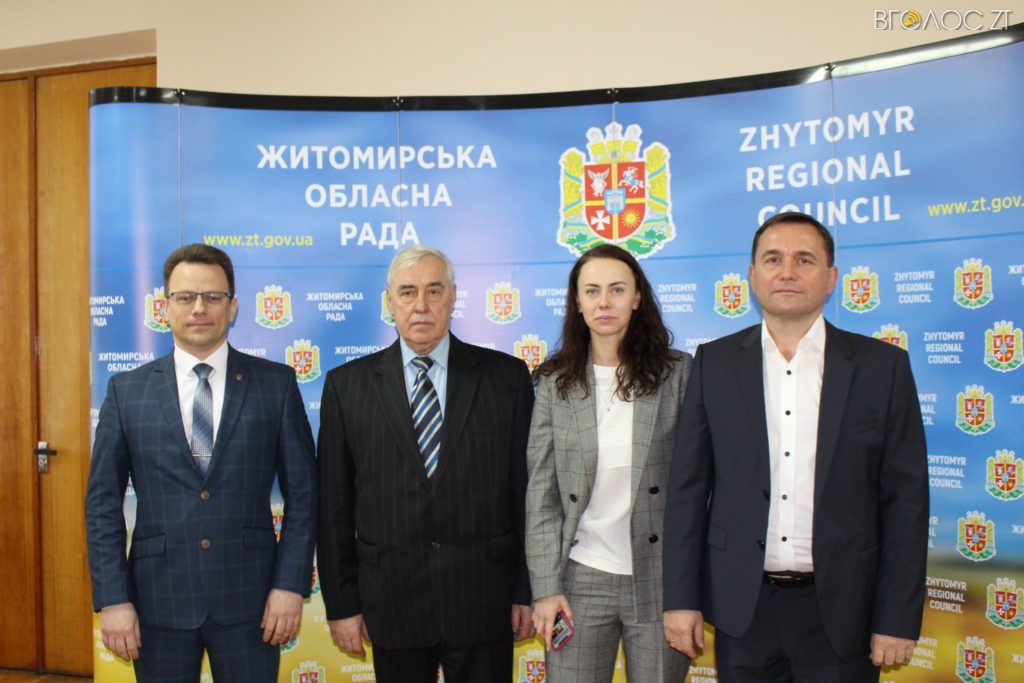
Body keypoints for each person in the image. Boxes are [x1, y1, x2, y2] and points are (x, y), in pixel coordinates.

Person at [663, 212, 928, 682]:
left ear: (831, 278)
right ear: (752, 275)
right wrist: (681, 600)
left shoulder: (882, 368)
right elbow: (688, 489)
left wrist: (896, 618)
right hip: (743, 609)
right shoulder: (714, 364)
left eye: (804, 260)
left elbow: (906, 503)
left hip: (844, 612)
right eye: (773, 259)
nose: (786, 271)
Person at [85, 243, 318, 683]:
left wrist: (289, 585)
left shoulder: (276, 385)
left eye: (212, 297)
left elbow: (304, 495)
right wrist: (114, 598)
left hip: (252, 603)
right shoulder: (126, 391)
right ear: (164, 307)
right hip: (157, 603)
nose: (199, 308)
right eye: (185, 297)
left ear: (232, 307)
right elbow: (102, 504)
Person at [317, 245, 534, 683]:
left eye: (434, 291)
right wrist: (342, 606)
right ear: (389, 302)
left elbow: (527, 493)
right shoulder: (347, 386)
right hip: (392, 602)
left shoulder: (506, 378)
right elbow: (333, 507)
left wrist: (526, 591)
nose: (421, 305)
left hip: (484, 600)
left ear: (453, 297)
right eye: (407, 292)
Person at [526, 243, 692, 682]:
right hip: (579, 580)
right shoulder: (554, 383)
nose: (604, 302)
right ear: (577, 302)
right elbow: (541, 495)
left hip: (660, 579)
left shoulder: (678, 374)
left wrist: (689, 591)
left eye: (617, 290)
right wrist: (546, 589)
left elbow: (698, 485)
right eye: (592, 291)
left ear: (637, 298)